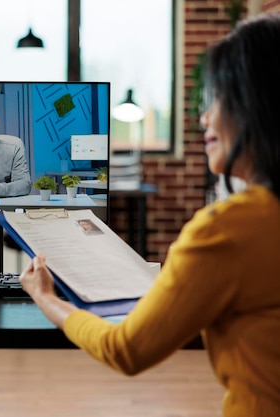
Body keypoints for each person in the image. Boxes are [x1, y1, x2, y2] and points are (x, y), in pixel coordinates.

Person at [19, 13, 280, 417]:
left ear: (256, 104)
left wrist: (46, 297)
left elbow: (126, 349)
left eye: (217, 99)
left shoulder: (229, 230)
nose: (204, 118)